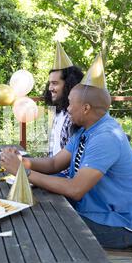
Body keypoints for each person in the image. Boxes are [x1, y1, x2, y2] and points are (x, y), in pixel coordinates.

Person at [1, 55, 132, 249]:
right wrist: (20, 160)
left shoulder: (106, 136)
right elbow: (54, 163)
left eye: (71, 104)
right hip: (98, 212)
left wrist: (24, 172)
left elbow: (75, 189)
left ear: (86, 108)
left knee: (39, 224)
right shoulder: (85, 129)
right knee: (31, 210)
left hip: (120, 225)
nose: (68, 109)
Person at [44, 42, 83, 176]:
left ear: (69, 85)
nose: (50, 88)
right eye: (49, 83)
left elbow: (70, 166)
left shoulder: (76, 117)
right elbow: (52, 158)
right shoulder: (58, 112)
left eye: (55, 83)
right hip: (53, 172)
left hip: (64, 178)